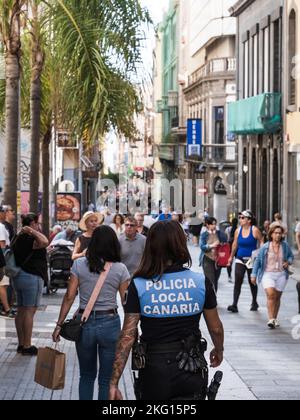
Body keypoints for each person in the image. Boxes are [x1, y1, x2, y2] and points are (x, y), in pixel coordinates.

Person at [109, 221, 224, 401]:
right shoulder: (200, 282)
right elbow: (216, 328)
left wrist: (114, 382)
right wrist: (218, 349)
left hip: (154, 370)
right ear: (180, 244)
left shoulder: (139, 285)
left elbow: (128, 335)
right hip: (191, 366)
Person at [52, 226, 130, 400]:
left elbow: (69, 296)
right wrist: (130, 330)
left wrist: (59, 325)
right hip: (110, 323)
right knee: (105, 379)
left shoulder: (79, 264)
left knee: (86, 376)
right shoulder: (120, 269)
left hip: (84, 323)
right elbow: (126, 303)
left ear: (93, 244)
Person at [12, 213, 49, 355]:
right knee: (29, 311)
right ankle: (27, 345)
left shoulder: (18, 237)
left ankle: (21, 343)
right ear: (33, 223)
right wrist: (32, 231)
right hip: (31, 277)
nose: (38, 226)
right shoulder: (29, 237)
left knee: (21, 310)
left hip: (19, 277)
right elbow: (45, 241)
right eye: (37, 224)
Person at [251, 225, 294, 329]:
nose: (278, 235)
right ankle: (270, 319)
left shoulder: (285, 246)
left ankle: (274, 318)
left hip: (281, 274)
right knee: (271, 294)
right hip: (267, 274)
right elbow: (257, 261)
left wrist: (288, 262)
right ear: (271, 234)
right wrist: (253, 275)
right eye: (275, 233)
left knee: (277, 297)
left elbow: (291, 256)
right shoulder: (265, 247)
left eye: (279, 233)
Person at [227, 210, 264, 313]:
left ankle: (254, 302)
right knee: (237, 280)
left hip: (251, 259)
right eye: (240, 218)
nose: (240, 219)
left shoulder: (254, 230)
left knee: (251, 281)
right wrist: (231, 257)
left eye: (243, 218)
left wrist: (260, 253)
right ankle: (234, 304)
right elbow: (235, 244)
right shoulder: (238, 231)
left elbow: (261, 241)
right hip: (239, 258)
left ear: (249, 220)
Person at [200, 217, 227, 293]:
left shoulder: (218, 233)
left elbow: (225, 240)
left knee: (215, 280)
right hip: (207, 259)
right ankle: (211, 299)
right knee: (210, 280)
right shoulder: (204, 235)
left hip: (218, 260)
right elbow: (202, 247)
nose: (214, 226)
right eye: (212, 224)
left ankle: (214, 297)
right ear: (207, 225)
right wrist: (211, 245)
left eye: (215, 224)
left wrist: (218, 232)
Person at [0, 206, 14, 318]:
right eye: (3, 211)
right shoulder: (0, 227)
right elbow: (2, 245)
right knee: (3, 285)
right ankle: (7, 308)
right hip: (3, 259)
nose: (5, 214)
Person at [225, 218, 238, 283]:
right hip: (238, 247)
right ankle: (239, 275)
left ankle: (229, 276)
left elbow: (225, 237)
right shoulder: (238, 229)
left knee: (229, 262)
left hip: (229, 246)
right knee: (239, 262)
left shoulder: (227, 229)